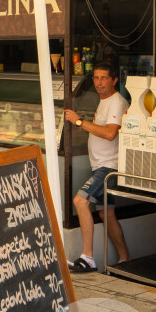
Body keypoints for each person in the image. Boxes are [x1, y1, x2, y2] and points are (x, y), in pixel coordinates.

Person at [64, 62, 131, 272]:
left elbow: (110, 134)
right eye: (96, 78)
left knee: (80, 201)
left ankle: (88, 258)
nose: (99, 82)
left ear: (114, 81)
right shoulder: (103, 101)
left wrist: (79, 122)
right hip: (100, 166)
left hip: (109, 168)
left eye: (103, 78)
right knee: (106, 214)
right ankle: (125, 259)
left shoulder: (117, 103)